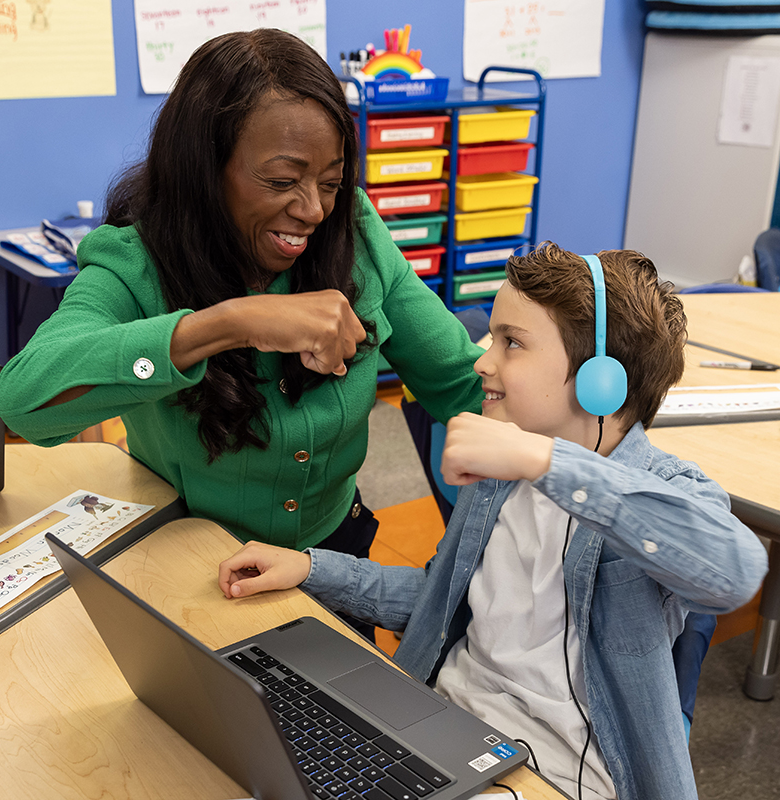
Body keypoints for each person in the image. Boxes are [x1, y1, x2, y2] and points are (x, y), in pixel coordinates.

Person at [217, 243, 768, 800]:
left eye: (512, 342)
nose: (483, 361)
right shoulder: (502, 479)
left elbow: (735, 571)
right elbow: (443, 598)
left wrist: (544, 461)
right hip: (444, 728)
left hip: (552, 772)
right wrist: (311, 569)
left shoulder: (661, 489)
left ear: (601, 380)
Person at [0, 30, 482, 569]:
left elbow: (460, 382)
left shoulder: (355, 233)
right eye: (280, 180)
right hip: (193, 564)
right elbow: (24, 402)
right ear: (204, 170)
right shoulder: (135, 262)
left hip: (333, 560)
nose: (314, 210)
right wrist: (229, 324)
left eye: (331, 181)